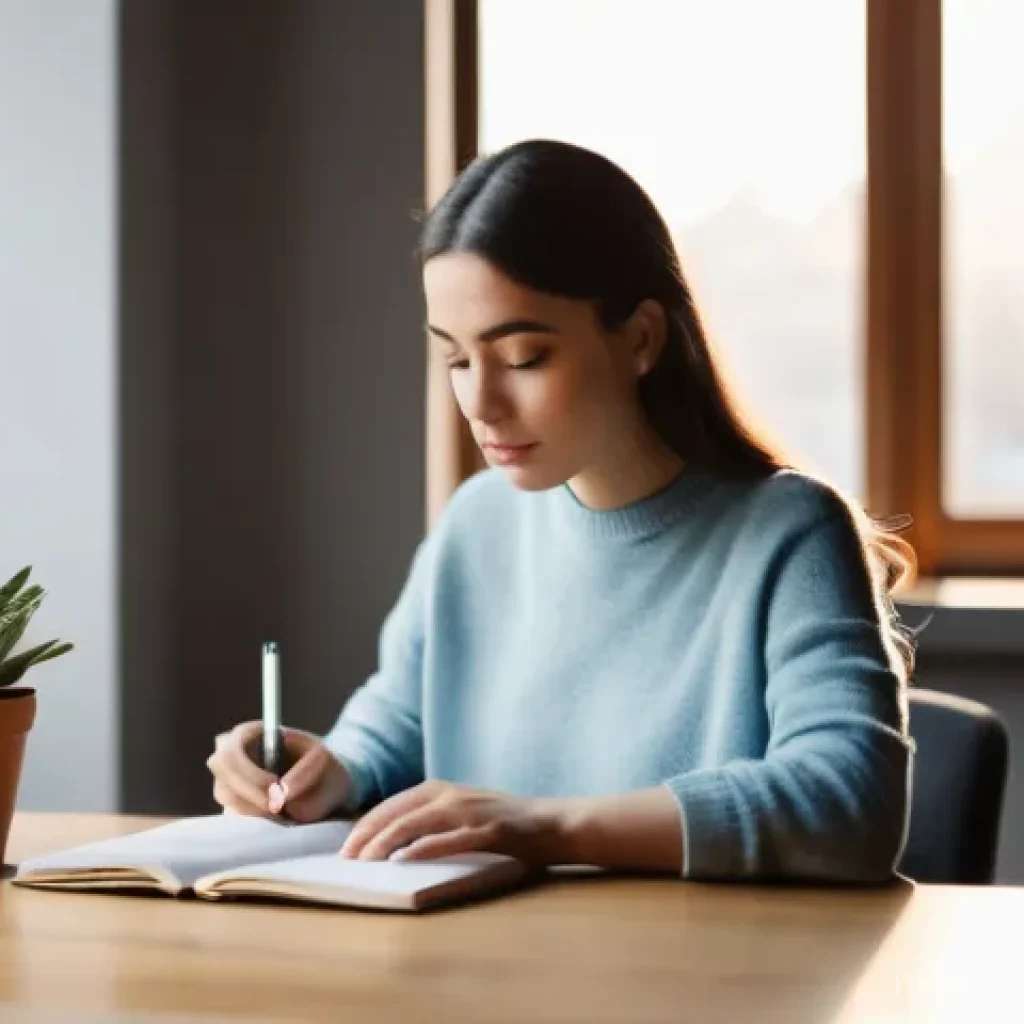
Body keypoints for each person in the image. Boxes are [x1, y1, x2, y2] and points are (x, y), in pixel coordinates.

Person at [207, 139, 917, 881]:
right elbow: (396, 729)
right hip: (496, 981)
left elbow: (849, 801)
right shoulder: (476, 524)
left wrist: (546, 828)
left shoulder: (791, 534)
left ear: (640, 338)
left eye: (522, 359)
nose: (480, 403)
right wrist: (324, 770)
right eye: (454, 360)